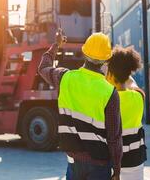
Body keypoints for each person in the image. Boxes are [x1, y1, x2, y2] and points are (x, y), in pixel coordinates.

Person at [38, 30, 123, 180]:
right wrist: (116, 169)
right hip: (100, 166)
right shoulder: (110, 92)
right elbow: (114, 137)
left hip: (74, 163)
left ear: (84, 54)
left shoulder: (65, 78)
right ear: (106, 61)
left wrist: (56, 46)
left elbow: (43, 68)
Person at [106, 46, 147, 180]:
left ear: (111, 75)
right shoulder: (139, 97)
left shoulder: (107, 100)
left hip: (114, 163)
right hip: (136, 160)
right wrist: (124, 74)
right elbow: (132, 84)